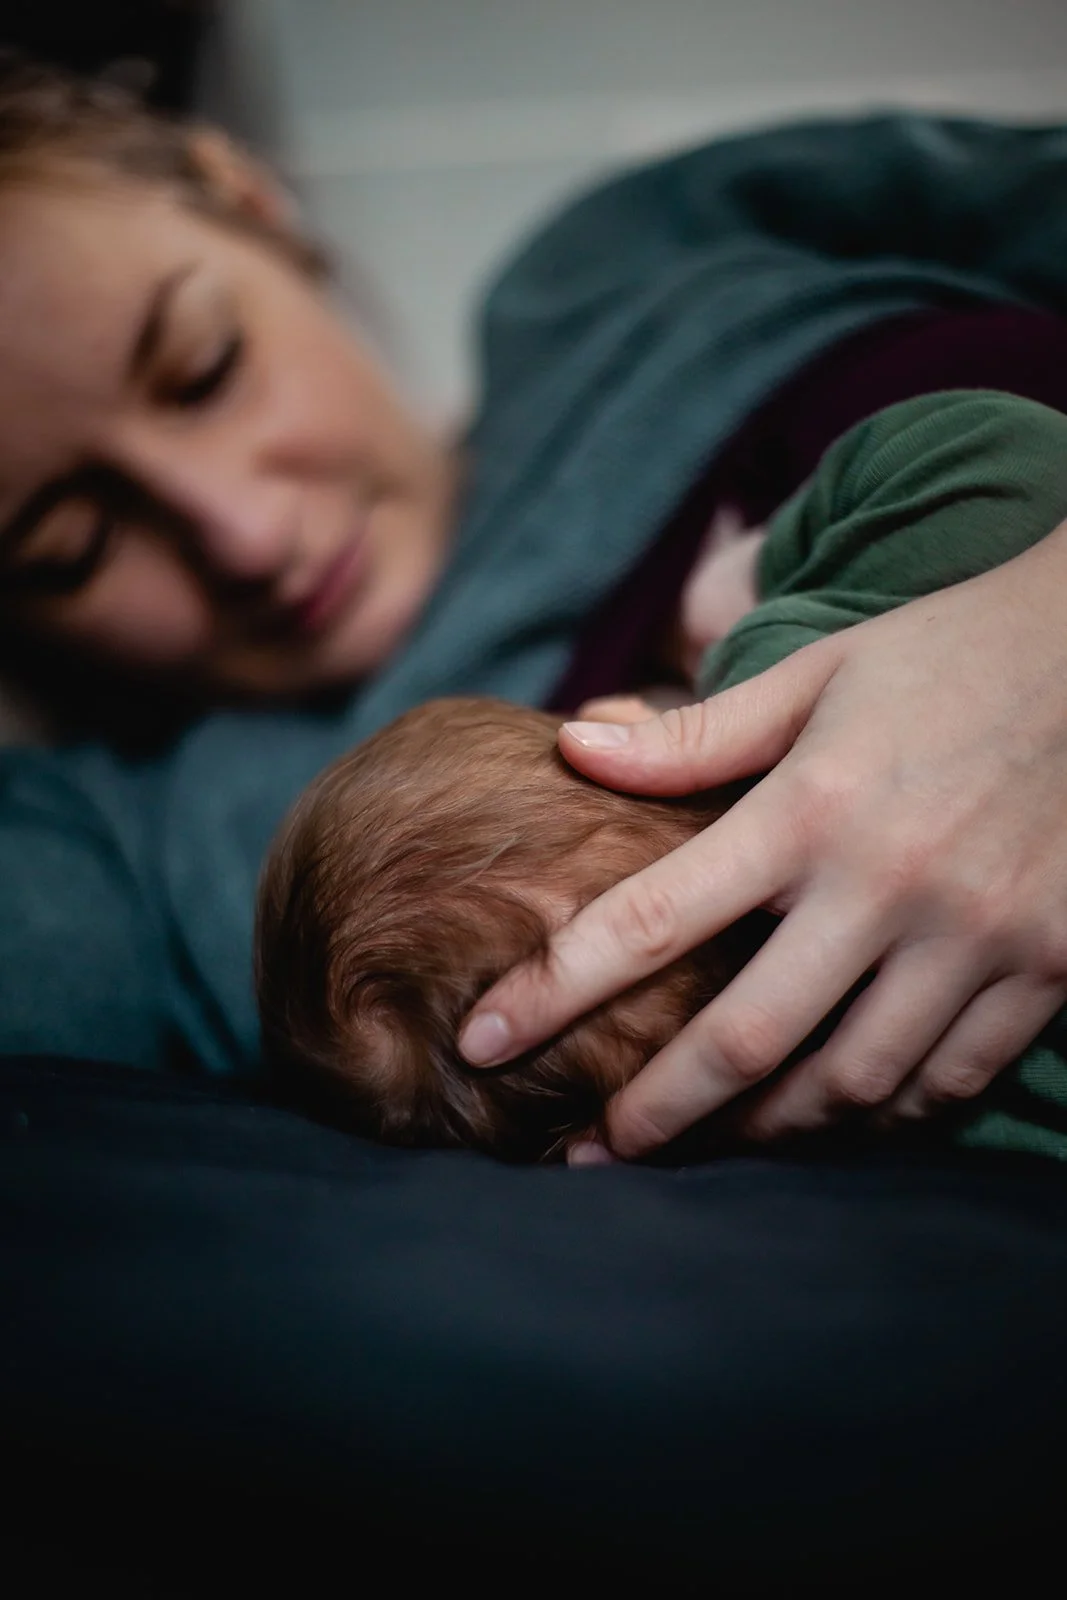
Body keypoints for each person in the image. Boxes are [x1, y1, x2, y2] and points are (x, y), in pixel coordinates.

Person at [5, 55, 1067, 1582]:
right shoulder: (138, 848)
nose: (239, 529)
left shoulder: (622, 261)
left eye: (200, 364)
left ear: (248, 204)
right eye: (68, 543)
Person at [257, 391, 1067, 1165]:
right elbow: (1006, 453)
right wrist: (758, 582)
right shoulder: (792, 668)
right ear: (613, 729)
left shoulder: (932, 1105)